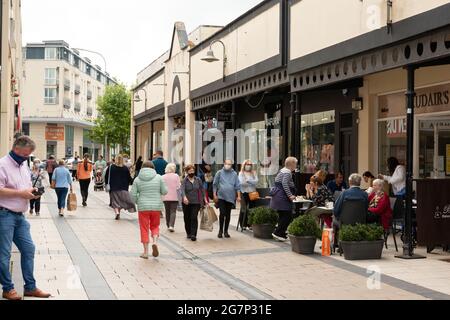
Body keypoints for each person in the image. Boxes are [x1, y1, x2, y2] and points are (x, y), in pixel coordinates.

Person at [0, 136, 51, 300]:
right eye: (25, 154)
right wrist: (20, 193)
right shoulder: (2, 165)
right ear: (17, 149)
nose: (26, 157)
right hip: (4, 214)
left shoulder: (23, 166)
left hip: (20, 216)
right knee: (4, 255)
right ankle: (8, 289)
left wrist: (31, 192)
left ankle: (30, 287)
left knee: (29, 249)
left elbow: (24, 188)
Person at [131, 161, 168, 259]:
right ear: (153, 168)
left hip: (143, 207)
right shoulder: (159, 177)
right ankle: (155, 242)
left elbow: (133, 195)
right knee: (155, 226)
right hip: (156, 207)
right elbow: (165, 191)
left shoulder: (137, 179)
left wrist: (138, 201)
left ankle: (146, 252)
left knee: (144, 228)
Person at [270, 157, 298, 242]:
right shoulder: (287, 173)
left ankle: (281, 233)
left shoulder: (282, 171)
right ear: (292, 164)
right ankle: (277, 233)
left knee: (282, 215)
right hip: (282, 198)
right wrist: (290, 196)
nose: (296, 166)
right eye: (295, 164)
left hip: (278, 197)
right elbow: (284, 183)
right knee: (287, 216)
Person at [213, 159, 241, 239]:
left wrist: (238, 196)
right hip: (221, 196)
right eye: (226, 163)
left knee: (228, 214)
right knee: (222, 213)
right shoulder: (219, 173)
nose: (228, 165)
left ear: (231, 165)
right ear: (224, 164)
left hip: (231, 197)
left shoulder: (234, 174)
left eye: (229, 164)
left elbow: (237, 186)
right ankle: (220, 230)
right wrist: (215, 195)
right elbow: (214, 184)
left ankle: (226, 231)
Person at [104, 155, 136, 220]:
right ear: (122, 160)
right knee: (122, 201)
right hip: (123, 188)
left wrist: (107, 184)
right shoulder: (125, 168)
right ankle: (119, 211)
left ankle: (117, 212)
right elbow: (129, 178)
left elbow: (106, 177)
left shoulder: (110, 167)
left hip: (113, 188)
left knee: (115, 202)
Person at [181, 165, 206, 241]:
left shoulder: (198, 180)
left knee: (194, 217)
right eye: (190, 171)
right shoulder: (184, 180)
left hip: (196, 202)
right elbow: (182, 190)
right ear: (187, 172)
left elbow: (202, 189)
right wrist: (184, 197)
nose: (191, 172)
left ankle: (193, 234)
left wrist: (205, 199)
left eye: (193, 171)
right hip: (186, 202)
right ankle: (188, 232)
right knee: (187, 217)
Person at [238, 160, 259, 230]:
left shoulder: (254, 173)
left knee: (252, 209)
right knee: (244, 209)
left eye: (250, 164)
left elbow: (256, 182)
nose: (249, 166)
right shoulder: (241, 173)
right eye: (247, 164)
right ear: (244, 165)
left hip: (252, 193)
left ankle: (250, 224)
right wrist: (251, 182)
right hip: (244, 193)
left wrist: (248, 181)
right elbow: (241, 183)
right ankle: (243, 224)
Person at [162, 163, 181, 232]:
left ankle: (168, 225)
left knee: (167, 211)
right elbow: (178, 187)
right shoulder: (176, 176)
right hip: (174, 196)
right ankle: (171, 225)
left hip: (165, 197)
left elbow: (162, 187)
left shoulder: (163, 176)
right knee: (173, 211)